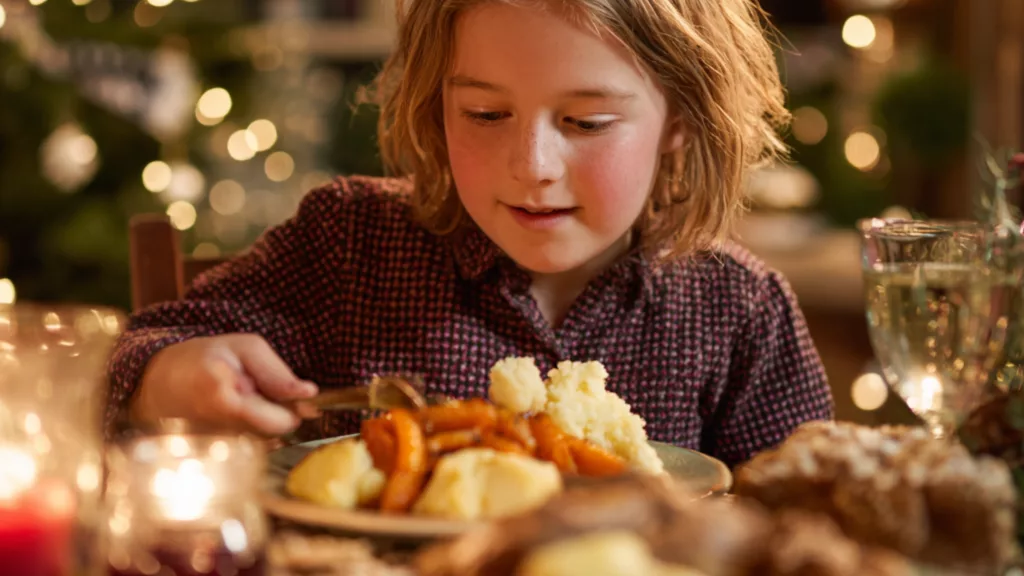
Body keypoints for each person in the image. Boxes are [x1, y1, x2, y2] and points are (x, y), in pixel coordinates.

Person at [107, 0, 833, 468]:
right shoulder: (348, 244)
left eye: (585, 122)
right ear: (435, 103)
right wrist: (168, 380)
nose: (533, 166)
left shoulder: (739, 309)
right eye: (486, 115)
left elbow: (812, 509)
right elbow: (126, 358)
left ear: (679, 120)